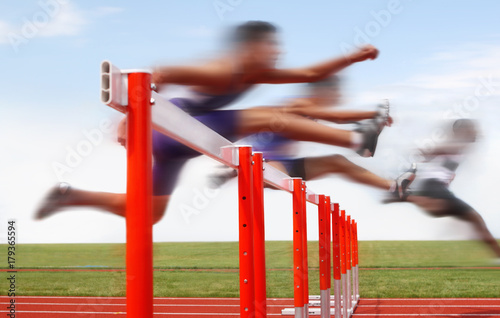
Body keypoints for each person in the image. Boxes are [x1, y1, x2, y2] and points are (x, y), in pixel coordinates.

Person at [35, 21, 382, 223]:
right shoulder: (224, 69)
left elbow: (310, 72)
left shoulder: (255, 73)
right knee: (275, 118)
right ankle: (356, 141)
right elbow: (163, 72)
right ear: (249, 47)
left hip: (181, 143)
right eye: (271, 47)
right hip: (172, 128)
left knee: (150, 213)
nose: (277, 54)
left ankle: (70, 196)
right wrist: (130, 115)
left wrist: (354, 56)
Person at [210, 76, 416, 198]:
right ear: (321, 91)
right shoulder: (298, 103)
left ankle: (393, 186)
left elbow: (337, 119)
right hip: (263, 163)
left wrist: (372, 119)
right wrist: (373, 114)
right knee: (276, 174)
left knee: (337, 162)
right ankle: (234, 171)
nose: (336, 99)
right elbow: (336, 117)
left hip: (285, 163)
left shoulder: (309, 109)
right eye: (334, 94)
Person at [391, 119, 500, 258]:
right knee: (470, 218)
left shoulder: (460, 147)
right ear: (462, 131)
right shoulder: (456, 144)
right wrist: (427, 152)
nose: (475, 133)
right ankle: (405, 196)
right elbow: (434, 151)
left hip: (437, 186)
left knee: (472, 219)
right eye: (471, 130)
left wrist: (446, 171)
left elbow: (435, 158)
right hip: (433, 185)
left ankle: (406, 196)